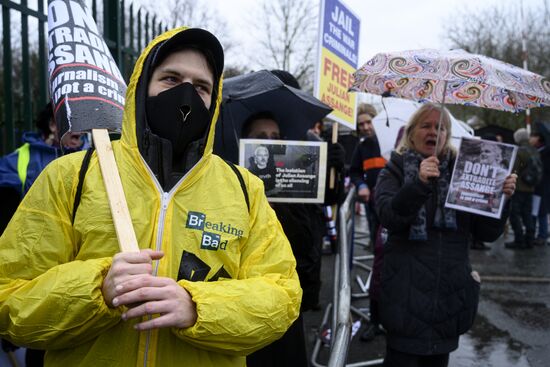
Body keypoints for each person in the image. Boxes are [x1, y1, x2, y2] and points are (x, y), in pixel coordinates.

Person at [0, 27, 301, 367]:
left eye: (201, 87)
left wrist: (197, 306)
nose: (186, 95)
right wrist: (97, 289)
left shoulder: (244, 189)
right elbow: (10, 299)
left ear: (214, 101)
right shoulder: (71, 176)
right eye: (171, 79)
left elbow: (283, 295)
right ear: (142, 88)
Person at [374, 103, 516, 367]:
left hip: (448, 301)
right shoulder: (393, 169)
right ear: (412, 132)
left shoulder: (464, 172)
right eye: (426, 125)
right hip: (405, 299)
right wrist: (418, 184)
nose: (434, 132)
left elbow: (486, 233)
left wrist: (502, 199)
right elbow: (389, 217)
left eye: (441, 127)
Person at [0, 102, 86, 232]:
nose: (80, 130)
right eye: (73, 120)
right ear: (52, 125)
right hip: (34, 239)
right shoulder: (24, 156)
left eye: (83, 121)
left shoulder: (93, 156)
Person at [506, 128, 541, 249]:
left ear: (518, 139)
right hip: (531, 188)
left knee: (514, 214)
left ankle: (519, 240)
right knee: (527, 214)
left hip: (519, 188)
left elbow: (514, 170)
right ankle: (530, 240)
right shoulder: (534, 151)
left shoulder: (519, 151)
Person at [529, 130, 550, 246]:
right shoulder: (539, 152)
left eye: (533, 136)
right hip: (538, 187)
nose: (531, 138)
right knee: (536, 211)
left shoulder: (545, 153)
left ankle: (542, 235)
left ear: (539, 138)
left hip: (542, 187)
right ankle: (539, 235)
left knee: (541, 212)